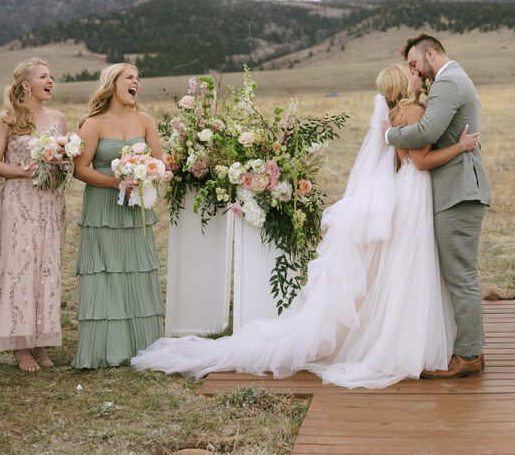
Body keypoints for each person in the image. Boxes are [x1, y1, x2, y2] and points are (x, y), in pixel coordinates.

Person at [131, 64, 479, 388]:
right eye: (412, 72)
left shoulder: (397, 114)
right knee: (409, 268)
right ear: (405, 84)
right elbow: (420, 162)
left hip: (407, 191)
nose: (418, 75)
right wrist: (460, 146)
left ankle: (402, 338)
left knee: (402, 269)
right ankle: (405, 344)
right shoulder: (413, 112)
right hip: (413, 191)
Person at [386, 34, 491, 379]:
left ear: (430, 53)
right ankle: (471, 348)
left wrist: (388, 135)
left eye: (415, 63)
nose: (414, 72)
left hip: (458, 191)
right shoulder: (453, 79)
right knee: (459, 275)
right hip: (455, 190)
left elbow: (425, 132)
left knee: (460, 276)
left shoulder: (448, 82)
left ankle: (468, 355)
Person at [72, 63, 165, 368]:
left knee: (136, 268)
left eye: (138, 78)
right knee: (106, 270)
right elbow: (80, 169)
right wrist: (116, 183)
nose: (136, 82)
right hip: (102, 206)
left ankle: (141, 345)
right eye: (129, 77)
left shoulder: (146, 120)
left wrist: (146, 175)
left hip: (135, 207)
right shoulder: (93, 123)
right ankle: (106, 348)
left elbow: (159, 163)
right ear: (112, 84)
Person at [0, 59, 70, 371]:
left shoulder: (58, 118)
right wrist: (24, 171)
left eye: (51, 76)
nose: (50, 81)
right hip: (20, 199)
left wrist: (62, 163)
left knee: (47, 267)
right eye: (43, 77)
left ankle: (41, 343)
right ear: (26, 84)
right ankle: (20, 346)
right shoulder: (7, 119)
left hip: (50, 200)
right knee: (20, 267)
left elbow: (64, 159)